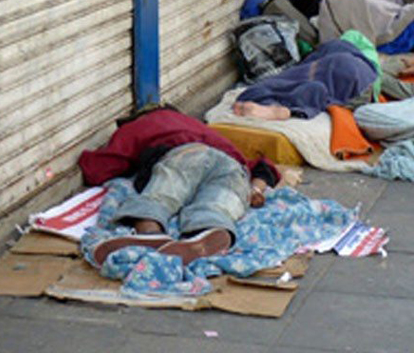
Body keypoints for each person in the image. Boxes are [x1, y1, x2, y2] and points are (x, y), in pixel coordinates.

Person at [85, 109, 281, 267]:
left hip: (187, 155)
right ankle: (209, 231)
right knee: (216, 206)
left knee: (161, 196)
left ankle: (150, 232)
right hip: (232, 167)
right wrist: (255, 190)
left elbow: (99, 170)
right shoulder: (202, 129)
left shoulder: (141, 125)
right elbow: (265, 167)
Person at [233, 36, 380, 120]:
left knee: (301, 82)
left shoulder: (333, 51)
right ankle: (289, 110)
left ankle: (285, 109)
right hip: (366, 80)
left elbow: (311, 60)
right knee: (318, 89)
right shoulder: (361, 53)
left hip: (343, 68)